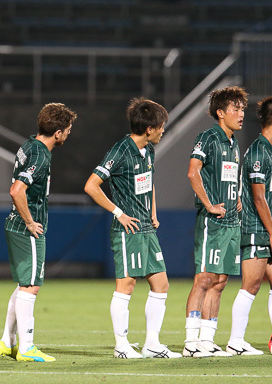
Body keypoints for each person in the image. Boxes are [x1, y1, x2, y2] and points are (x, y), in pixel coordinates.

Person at [84, 97, 181, 359]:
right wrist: (118, 213)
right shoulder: (120, 151)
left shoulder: (148, 149)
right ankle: (121, 346)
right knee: (126, 285)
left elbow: (148, 182)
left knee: (161, 285)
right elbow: (91, 185)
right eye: (161, 126)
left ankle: (152, 344)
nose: (163, 130)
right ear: (149, 128)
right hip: (127, 231)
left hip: (147, 228)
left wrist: (152, 211)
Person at [0, 103, 76, 362]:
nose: (69, 134)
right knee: (31, 287)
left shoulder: (29, 145)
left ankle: (7, 342)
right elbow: (17, 190)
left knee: (23, 285)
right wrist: (30, 222)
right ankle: (27, 347)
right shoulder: (41, 154)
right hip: (25, 228)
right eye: (68, 130)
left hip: (15, 225)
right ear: (59, 133)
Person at [227, 96, 272, 356]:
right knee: (252, 285)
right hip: (255, 229)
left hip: (271, 230)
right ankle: (236, 341)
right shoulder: (258, 151)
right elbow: (258, 198)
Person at [182, 87, 247, 358]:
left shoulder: (233, 143)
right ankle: (190, 341)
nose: (242, 114)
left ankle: (207, 340)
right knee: (204, 278)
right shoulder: (208, 137)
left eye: (242, 109)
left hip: (232, 221)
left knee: (220, 281)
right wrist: (209, 204)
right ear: (221, 113)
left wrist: (238, 197)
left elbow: (230, 176)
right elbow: (192, 171)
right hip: (213, 221)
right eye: (236, 109)